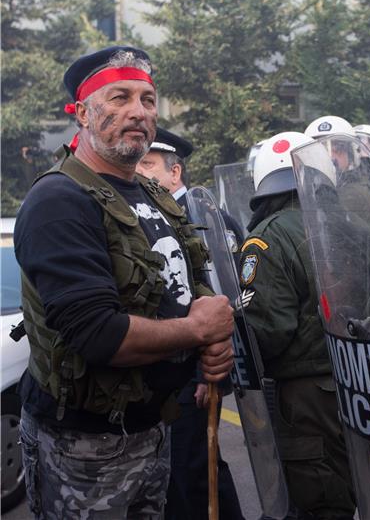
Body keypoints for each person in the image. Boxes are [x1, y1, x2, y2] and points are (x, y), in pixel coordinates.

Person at [14, 45, 234, 519]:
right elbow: (97, 334)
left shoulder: (155, 193)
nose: (138, 111)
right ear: (83, 114)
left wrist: (211, 331)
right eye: (119, 98)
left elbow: (185, 282)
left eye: (148, 99)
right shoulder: (60, 200)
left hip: (153, 428)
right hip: (84, 447)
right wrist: (199, 331)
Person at [240, 132, 356, 520]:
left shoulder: (268, 238)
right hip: (362, 382)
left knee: (316, 499)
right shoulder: (354, 227)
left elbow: (266, 330)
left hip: (307, 397)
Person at [135, 128, 244, 520]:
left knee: (194, 468)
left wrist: (205, 372)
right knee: (181, 469)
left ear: (175, 173)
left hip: (198, 372)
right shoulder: (155, 216)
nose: (139, 172)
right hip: (170, 367)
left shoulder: (202, 219)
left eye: (148, 165)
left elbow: (222, 299)